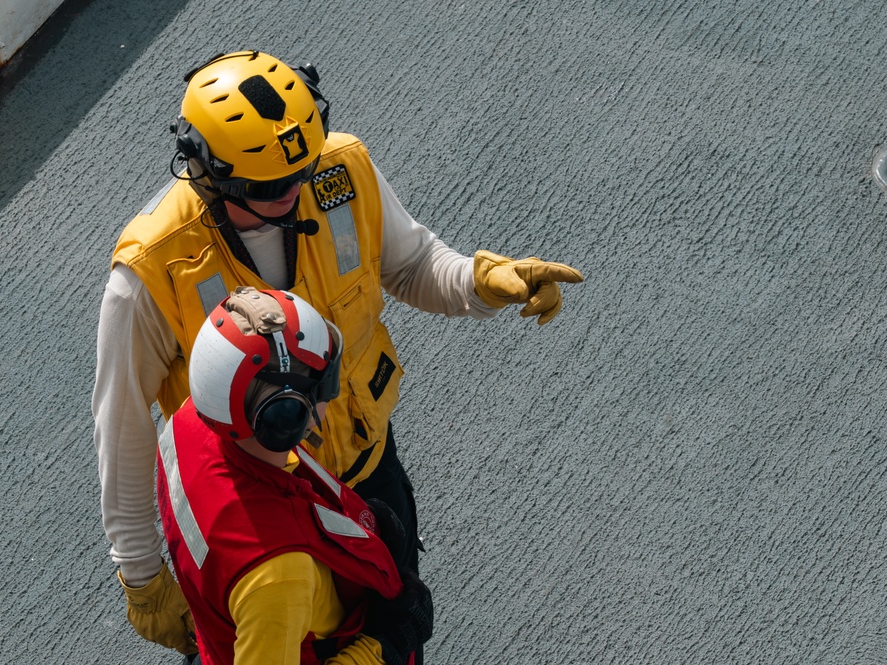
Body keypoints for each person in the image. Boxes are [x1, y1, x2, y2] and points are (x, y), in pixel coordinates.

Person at [92, 49, 583, 658]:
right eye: (275, 187)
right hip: (256, 515)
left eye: (305, 166)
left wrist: (481, 282)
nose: (299, 191)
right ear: (209, 173)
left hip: (365, 471)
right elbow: (122, 427)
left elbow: (410, 264)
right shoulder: (148, 272)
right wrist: (142, 577)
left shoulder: (339, 171)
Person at [157, 286, 432, 664]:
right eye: (324, 385)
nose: (330, 398)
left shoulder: (190, 423)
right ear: (283, 418)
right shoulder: (280, 577)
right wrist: (382, 649)